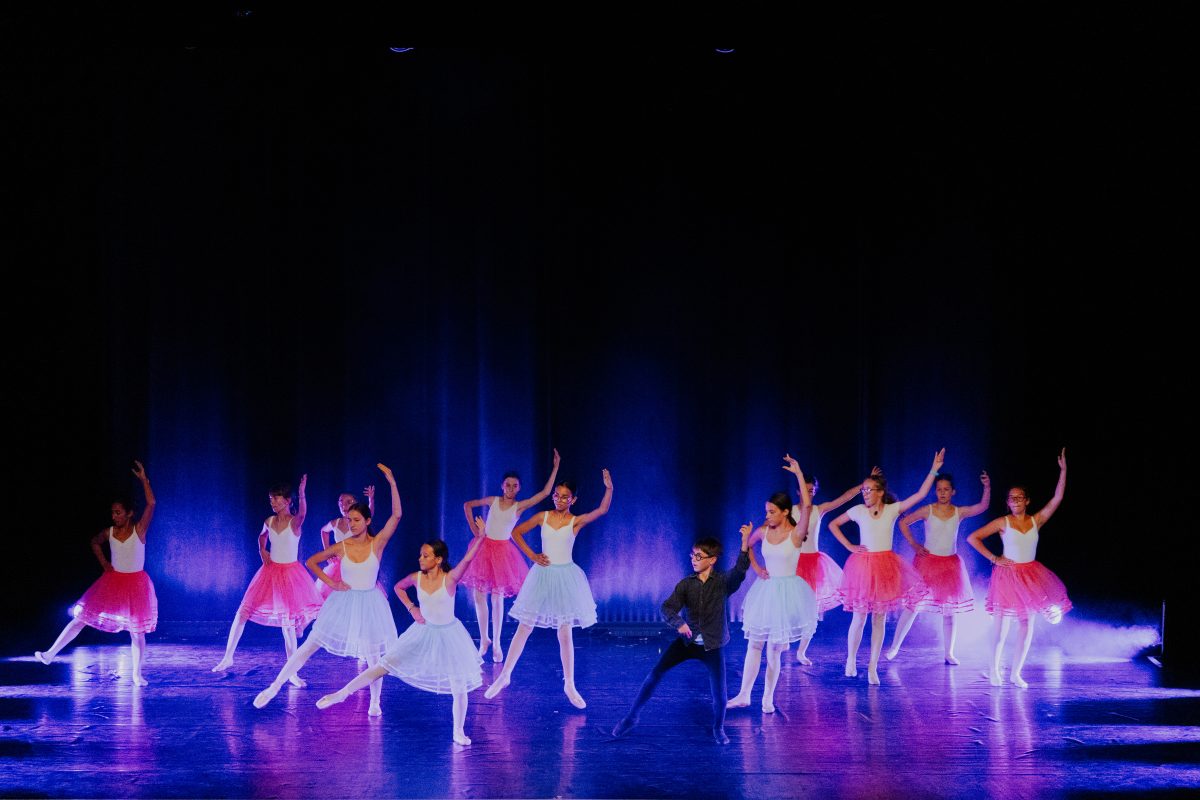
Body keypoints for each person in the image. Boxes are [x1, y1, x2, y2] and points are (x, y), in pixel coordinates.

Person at [318, 520, 487, 745]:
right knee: (383, 665)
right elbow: (398, 587)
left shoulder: (450, 579)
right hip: (422, 632)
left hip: (449, 636)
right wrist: (412, 607)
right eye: (420, 555)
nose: (420, 559)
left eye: (426, 556)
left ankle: (458, 731)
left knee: (459, 685)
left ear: (438, 559)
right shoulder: (417, 577)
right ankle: (342, 693)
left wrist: (481, 537)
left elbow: (467, 560)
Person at [253, 464, 402, 715]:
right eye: (349, 520)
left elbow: (396, 515)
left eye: (356, 520)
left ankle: (374, 702)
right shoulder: (343, 546)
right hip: (344, 601)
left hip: (370, 603)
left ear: (367, 521)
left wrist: (392, 482)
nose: (351, 524)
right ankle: (274, 686)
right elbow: (312, 561)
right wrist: (332, 583)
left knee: (374, 656)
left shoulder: (377, 543)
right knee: (310, 644)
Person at [483, 469, 613, 709]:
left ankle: (569, 684)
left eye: (565, 497)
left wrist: (609, 488)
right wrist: (533, 555)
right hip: (542, 575)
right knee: (525, 626)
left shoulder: (575, 521)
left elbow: (602, 510)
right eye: (557, 495)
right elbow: (516, 532)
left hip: (565, 577)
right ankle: (505, 675)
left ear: (573, 500)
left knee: (565, 631)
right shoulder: (543, 516)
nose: (559, 500)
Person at [611, 526, 752, 745]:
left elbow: (740, 570)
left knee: (720, 693)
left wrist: (744, 542)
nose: (694, 559)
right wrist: (679, 623)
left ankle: (718, 728)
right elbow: (667, 607)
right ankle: (631, 717)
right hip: (687, 642)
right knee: (655, 674)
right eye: (692, 555)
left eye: (699, 556)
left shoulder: (723, 583)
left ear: (712, 560)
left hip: (712, 645)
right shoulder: (686, 584)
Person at [35, 461, 157, 686]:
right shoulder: (109, 532)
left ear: (129, 513)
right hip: (112, 582)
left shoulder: (139, 530)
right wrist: (104, 563)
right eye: (112, 512)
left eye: (118, 512)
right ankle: (50, 654)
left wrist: (143, 480)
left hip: (135, 584)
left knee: (137, 632)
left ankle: (137, 674)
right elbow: (94, 542)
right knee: (81, 618)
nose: (114, 516)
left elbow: (151, 503)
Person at [828, 449, 944, 685]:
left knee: (878, 619)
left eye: (869, 490)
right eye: (863, 490)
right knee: (859, 617)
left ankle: (873, 667)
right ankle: (851, 660)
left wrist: (934, 469)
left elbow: (920, 494)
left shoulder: (891, 510)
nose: (865, 493)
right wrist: (849, 545)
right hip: (863, 567)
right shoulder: (858, 511)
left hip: (885, 567)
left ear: (880, 492)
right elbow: (833, 524)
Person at [967, 449, 1071, 688]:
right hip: (1008, 576)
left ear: (1027, 501)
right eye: (1011, 498)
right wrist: (994, 558)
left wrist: (1063, 471)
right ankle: (994, 669)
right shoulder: (1002, 522)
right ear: (1007, 502)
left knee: (1026, 624)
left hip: (1031, 576)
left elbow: (1057, 498)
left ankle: (1016, 673)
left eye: (1019, 497)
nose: (1015, 501)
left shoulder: (1036, 520)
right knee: (1001, 626)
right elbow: (973, 538)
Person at [728, 455, 818, 713]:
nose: (767, 516)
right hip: (766, 592)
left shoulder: (796, 533)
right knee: (754, 644)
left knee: (774, 651)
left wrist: (798, 473)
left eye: (771, 512)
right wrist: (757, 568)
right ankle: (744, 695)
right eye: (766, 511)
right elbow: (747, 547)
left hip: (788, 593)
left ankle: (767, 698)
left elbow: (807, 506)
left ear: (785, 512)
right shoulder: (764, 531)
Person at [212, 476, 324, 682]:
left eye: (276, 498)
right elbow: (262, 536)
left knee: (288, 626)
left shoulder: (294, 523)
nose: (272, 502)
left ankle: (292, 672)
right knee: (242, 612)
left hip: (290, 576)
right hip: (269, 574)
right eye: (270, 498)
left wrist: (301, 493)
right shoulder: (269, 521)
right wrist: (261, 550)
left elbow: (303, 513)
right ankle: (228, 657)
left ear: (287, 501)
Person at [461, 449, 560, 662]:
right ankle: (484, 639)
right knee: (479, 595)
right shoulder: (493, 500)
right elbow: (467, 505)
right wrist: (476, 531)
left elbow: (544, 493)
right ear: (502, 486)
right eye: (508, 485)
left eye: (515, 486)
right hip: (483, 548)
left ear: (519, 488)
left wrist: (555, 467)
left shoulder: (518, 506)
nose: (511, 489)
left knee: (497, 598)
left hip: (503, 553)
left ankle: (496, 643)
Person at [885, 470, 991, 664]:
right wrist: (914, 544)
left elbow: (982, 507)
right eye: (939, 489)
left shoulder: (958, 512)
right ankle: (894, 647)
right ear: (936, 491)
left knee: (949, 612)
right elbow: (904, 523)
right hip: (928, 564)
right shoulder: (928, 510)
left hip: (950, 566)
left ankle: (949, 653)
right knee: (913, 607)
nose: (942, 493)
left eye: (946, 489)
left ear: (953, 492)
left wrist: (987, 487)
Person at [791, 466, 883, 663]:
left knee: (811, 610)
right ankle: (783, 641)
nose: (809, 494)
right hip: (793, 563)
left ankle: (801, 651)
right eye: (805, 490)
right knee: (790, 606)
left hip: (813, 564)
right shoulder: (789, 511)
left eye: (812, 491)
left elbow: (844, 498)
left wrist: (864, 486)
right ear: (798, 491)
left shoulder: (819, 510)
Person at [315, 485, 375, 599]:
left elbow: (369, 513)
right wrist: (328, 551)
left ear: (356, 503)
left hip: (357, 564)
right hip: (339, 567)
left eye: (349, 502)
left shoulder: (358, 522)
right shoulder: (335, 523)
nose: (344, 505)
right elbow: (324, 531)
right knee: (336, 598)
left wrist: (371, 499)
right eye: (341, 502)